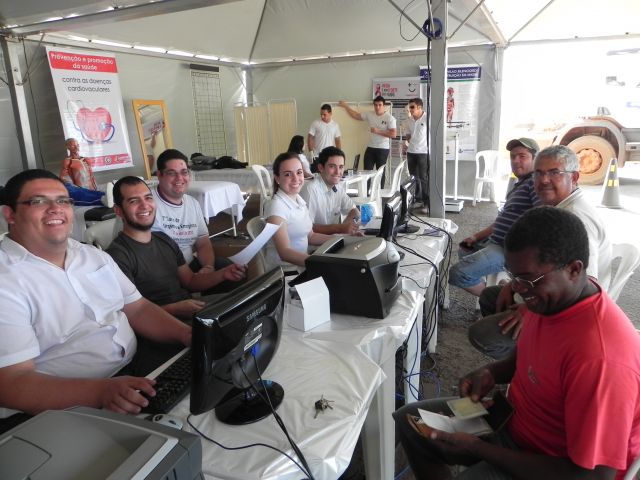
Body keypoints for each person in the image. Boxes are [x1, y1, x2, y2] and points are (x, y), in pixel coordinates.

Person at [395, 206, 640, 480]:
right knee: (409, 421)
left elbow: (593, 476)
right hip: (515, 423)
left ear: (574, 269)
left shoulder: (601, 359)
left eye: (528, 280)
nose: (519, 290)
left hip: (552, 464)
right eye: (515, 278)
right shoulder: (555, 299)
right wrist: (491, 372)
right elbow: (528, 356)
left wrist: (479, 449)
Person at [0, 169, 191, 432]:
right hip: (62, 407)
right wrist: (101, 392)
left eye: (63, 200)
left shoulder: (90, 254)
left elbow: (137, 308)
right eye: (39, 201)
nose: (56, 209)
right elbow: (12, 383)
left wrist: (187, 334)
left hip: (134, 368)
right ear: (9, 215)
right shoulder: (6, 280)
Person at [469, 145, 613, 359]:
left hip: (566, 309)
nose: (544, 180)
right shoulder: (558, 208)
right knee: (491, 296)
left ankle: (532, 362)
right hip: (547, 290)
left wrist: (529, 309)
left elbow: (587, 281)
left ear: (574, 177)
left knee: (481, 335)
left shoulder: (576, 217)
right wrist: (514, 284)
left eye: (554, 172)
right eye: (538, 173)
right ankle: (523, 356)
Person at [107, 176, 247, 322]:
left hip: (190, 308)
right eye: (134, 201)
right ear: (119, 211)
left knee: (244, 304)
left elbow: (190, 281)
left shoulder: (164, 239)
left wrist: (224, 274)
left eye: (148, 198)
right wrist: (174, 309)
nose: (145, 206)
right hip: (163, 322)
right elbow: (128, 315)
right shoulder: (117, 256)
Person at [448, 138, 540, 296]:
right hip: (494, 241)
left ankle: (499, 299)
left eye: (522, 156)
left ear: (535, 159)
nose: (515, 161)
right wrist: (475, 237)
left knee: (457, 273)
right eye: (512, 156)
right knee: (464, 249)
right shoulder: (520, 184)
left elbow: (542, 218)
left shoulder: (534, 183)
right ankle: (494, 287)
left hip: (507, 249)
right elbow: (501, 221)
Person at [151, 149, 241, 292]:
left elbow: (203, 242)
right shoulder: (148, 205)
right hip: (162, 272)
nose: (179, 178)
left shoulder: (192, 203)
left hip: (189, 264)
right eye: (171, 173)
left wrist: (208, 267)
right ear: (159, 175)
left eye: (184, 172)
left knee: (231, 271)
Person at [264, 152, 332, 270]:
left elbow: (310, 236)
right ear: (277, 178)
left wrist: (342, 239)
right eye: (288, 174)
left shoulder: (298, 200)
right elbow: (284, 252)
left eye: (299, 172)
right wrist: (317, 264)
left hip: (301, 266)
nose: (296, 178)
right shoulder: (276, 208)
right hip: (286, 273)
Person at [300, 146, 362, 235]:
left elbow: (355, 212)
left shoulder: (337, 187)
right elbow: (306, 228)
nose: (337, 172)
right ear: (321, 168)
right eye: (332, 166)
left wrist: (348, 228)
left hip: (334, 238)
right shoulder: (310, 189)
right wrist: (339, 229)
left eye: (341, 167)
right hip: (316, 242)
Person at [338, 96, 397, 188]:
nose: (377, 107)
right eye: (375, 105)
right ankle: (366, 192)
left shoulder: (389, 118)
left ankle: (380, 192)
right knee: (366, 172)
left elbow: (393, 134)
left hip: (383, 149)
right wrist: (346, 106)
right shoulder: (370, 114)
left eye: (380, 105)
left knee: (380, 172)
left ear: (384, 106)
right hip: (370, 147)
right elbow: (356, 115)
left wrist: (378, 131)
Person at [404, 98, 430, 215]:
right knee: (414, 178)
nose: (410, 109)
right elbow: (408, 135)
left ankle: (427, 203)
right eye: (409, 107)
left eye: (412, 107)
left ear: (420, 107)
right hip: (411, 152)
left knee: (424, 178)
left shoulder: (427, 118)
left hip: (424, 152)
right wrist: (406, 142)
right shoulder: (408, 120)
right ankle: (417, 200)